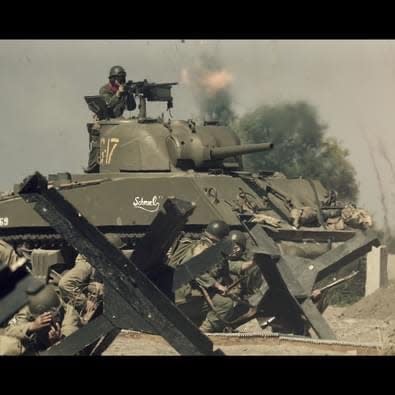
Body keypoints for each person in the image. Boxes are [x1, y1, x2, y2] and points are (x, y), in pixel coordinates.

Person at [58, 233, 126, 324]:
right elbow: (65, 284)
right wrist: (84, 303)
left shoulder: (105, 265)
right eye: (117, 252)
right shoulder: (87, 265)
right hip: (81, 312)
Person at [0, 285, 81, 355]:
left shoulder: (69, 321)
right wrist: (30, 327)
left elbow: (74, 348)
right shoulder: (34, 306)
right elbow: (7, 331)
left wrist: (58, 344)